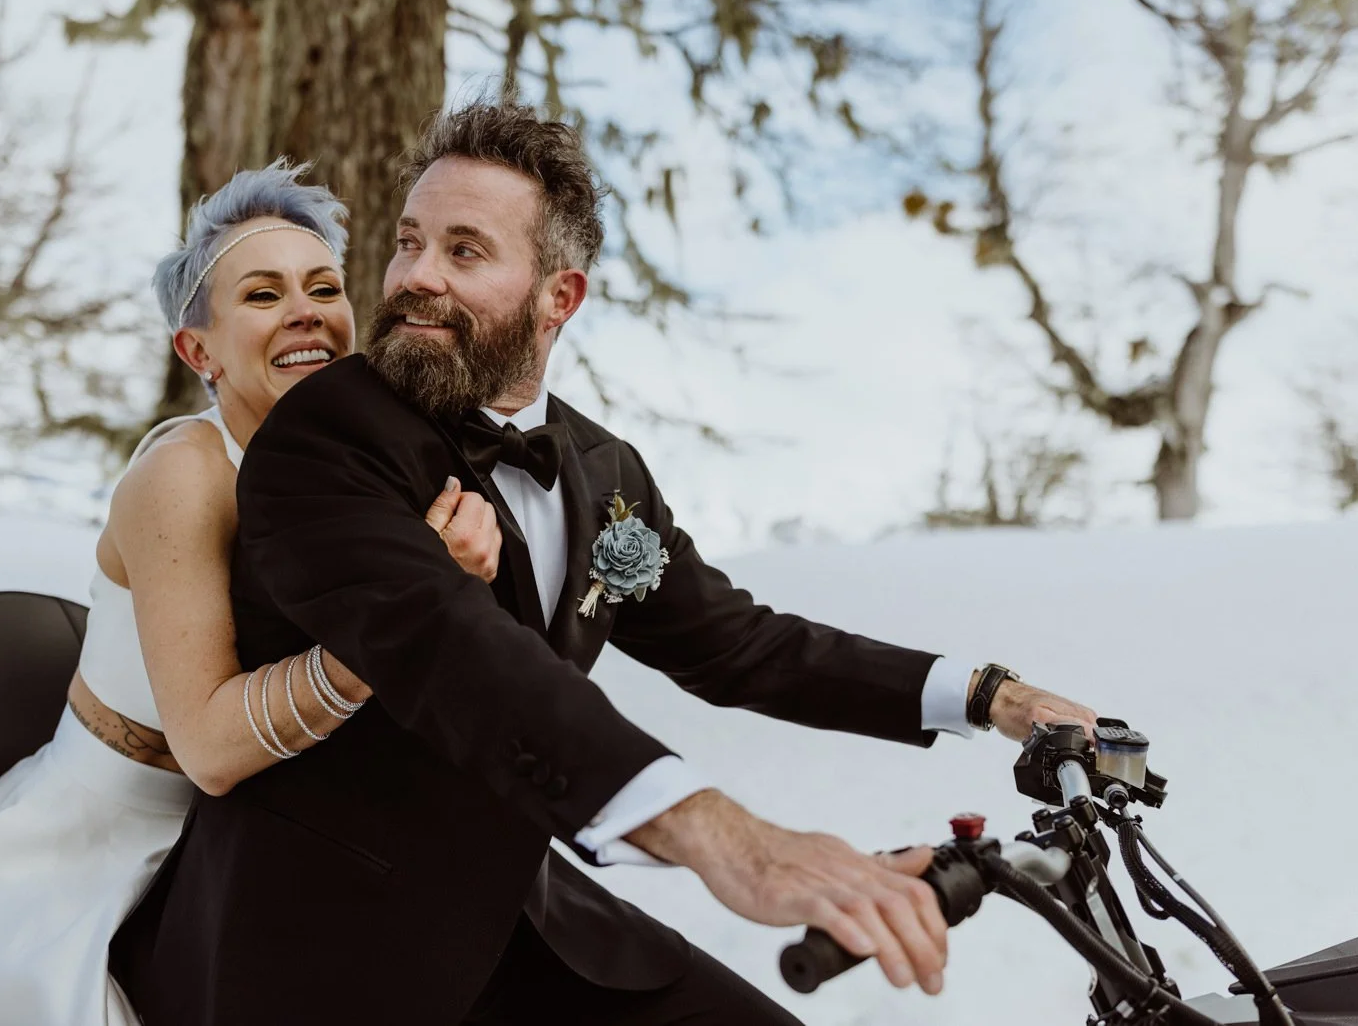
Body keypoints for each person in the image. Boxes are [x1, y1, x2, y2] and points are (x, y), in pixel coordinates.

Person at [110, 103, 1100, 1026]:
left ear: (558, 296)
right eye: (409, 241)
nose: (416, 275)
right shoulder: (326, 434)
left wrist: (981, 694)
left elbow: (737, 643)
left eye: (464, 250)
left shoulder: (604, 472)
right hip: (318, 948)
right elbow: (449, 644)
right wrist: (720, 835)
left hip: (526, 908)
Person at [0, 162, 503, 1026]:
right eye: (262, 296)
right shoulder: (183, 474)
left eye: (323, 287)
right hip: (86, 861)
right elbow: (212, 751)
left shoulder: (358, 464)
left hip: (238, 848)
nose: (304, 310)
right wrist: (393, 628)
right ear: (199, 352)